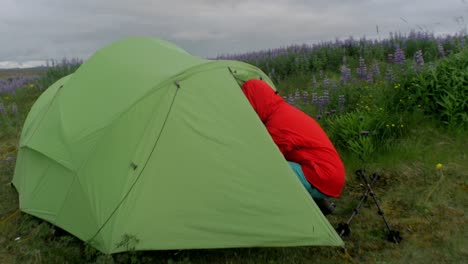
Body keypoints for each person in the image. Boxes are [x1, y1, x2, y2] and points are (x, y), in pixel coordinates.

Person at [241, 79, 345, 215]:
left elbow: (268, 157)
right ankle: (320, 205)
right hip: (332, 172)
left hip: (324, 176)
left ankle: (287, 214)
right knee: (290, 163)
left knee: (270, 170)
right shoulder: (285, 111)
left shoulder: (276, 125)